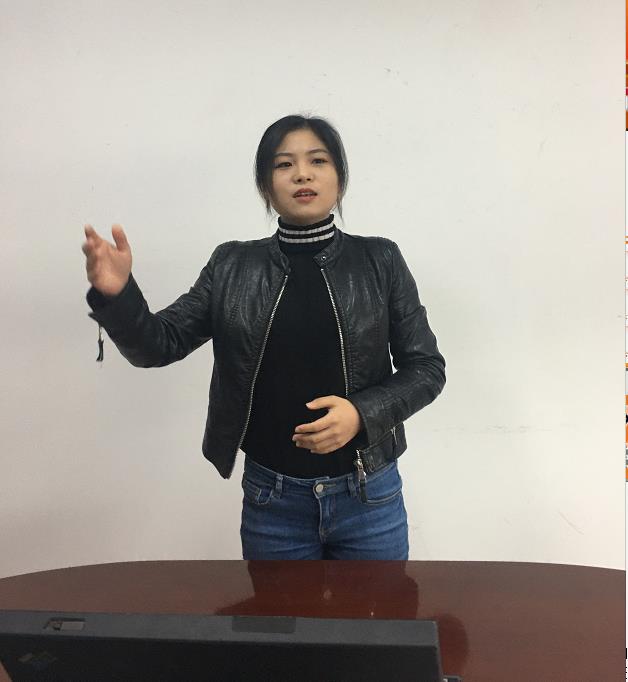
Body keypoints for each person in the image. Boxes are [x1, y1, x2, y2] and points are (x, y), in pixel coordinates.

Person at [82, 114, 446, 560]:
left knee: (379, 609)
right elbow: (160, 344)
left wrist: (361, 414)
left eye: (318, 161)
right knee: (277, 611)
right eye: (283, 164)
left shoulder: (380, 259)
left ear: (340, 178)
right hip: (273, 502)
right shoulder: (232, 266)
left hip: (369, 496)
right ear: (265, 186)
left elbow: (426, 369)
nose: (302, 174)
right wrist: (118, 295)